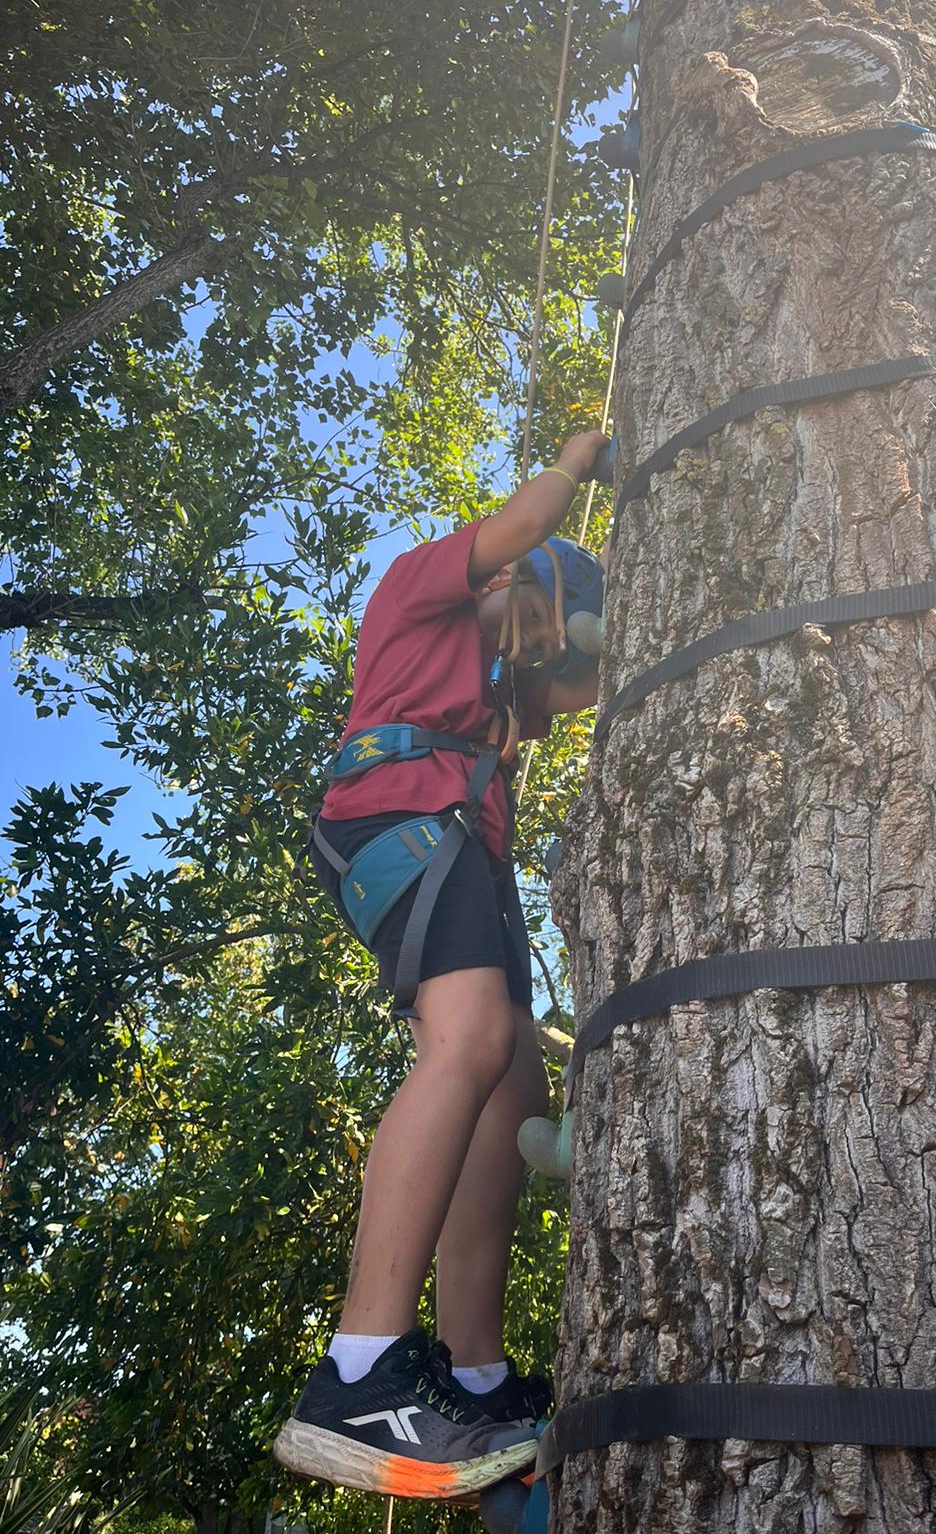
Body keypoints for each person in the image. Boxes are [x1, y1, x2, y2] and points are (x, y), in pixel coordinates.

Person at [272, 430, 609, 1503]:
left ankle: (476, 1376)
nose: (542, 656)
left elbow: (578, 687)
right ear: (504, 583)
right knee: (469, 1043)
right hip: (402, 815)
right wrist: (582, 455)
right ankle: (358, 1371)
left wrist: (596, 649)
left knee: (510, 1090)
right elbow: (521, 527)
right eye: (538, 621)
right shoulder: (421, 591)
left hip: (457, 841)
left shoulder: (502, 700)